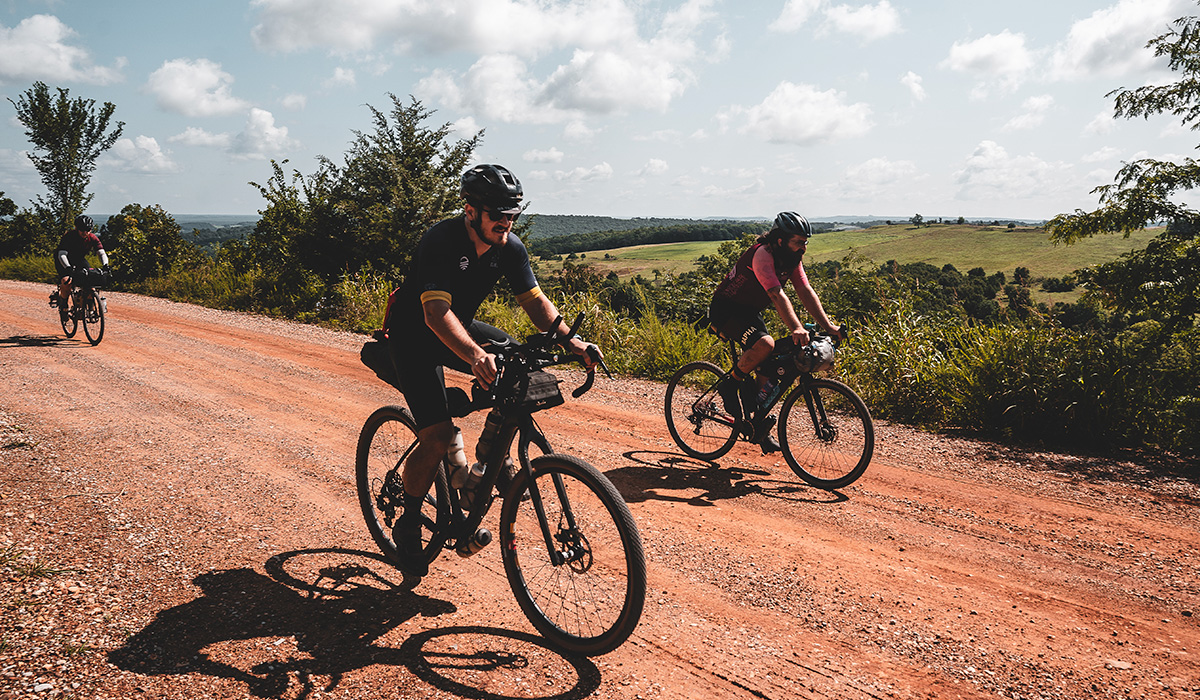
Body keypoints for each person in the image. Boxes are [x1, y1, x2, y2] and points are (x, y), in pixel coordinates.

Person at [384, 163, 601, 578]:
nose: (506, 222)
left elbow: (536, 303)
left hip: (458, 328)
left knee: (519, 362)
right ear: (471, 211)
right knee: (436, 435)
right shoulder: (441, 241)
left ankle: (486, 465)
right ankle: (408, 522)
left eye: (512, 214)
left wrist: (572, 341)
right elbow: (435, 313)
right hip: (414, 335)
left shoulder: (509, 246)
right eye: (497, 214)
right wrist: (473, 357)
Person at [708, 211, 844, 453]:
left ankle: (757, 424)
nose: (803, 247)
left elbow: (805, 291)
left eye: (805, 242)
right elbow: (776, 294)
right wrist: (797, 327)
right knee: (765, 345)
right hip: (726, 310)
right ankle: (730, 384)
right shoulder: (762, 255)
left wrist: (828, 327)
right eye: (798, 242)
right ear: (780, 240)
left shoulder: (791, 259)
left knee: (770, 364)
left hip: (749, 312)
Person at [52, 215, 109, 319]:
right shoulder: (69, 237)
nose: (85, 232)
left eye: (87, 230)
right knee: (67, 281)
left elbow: (101, 252)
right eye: (82, 230)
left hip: (79, 259)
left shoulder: (92, 238)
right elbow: (62, 254)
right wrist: (68, 268)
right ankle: (63, 304)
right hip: (64, 260)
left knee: (90, 282)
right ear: (76, 228)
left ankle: (88, 307)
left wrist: (105, 265)